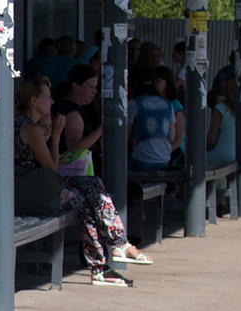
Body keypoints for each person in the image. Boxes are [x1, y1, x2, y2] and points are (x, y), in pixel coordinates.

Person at [13, 76, 150, 285]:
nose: (52, 102)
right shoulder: (31, 129)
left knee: (91, 186)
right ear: (34, 101)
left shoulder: (24, 124)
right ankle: (111, 255)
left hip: (30, 189)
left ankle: (107, 260)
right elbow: (52, 170)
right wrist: (57, 135)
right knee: (89, 197)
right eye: (48, 98)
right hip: (33, 193)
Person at [53, 64, 103, 176]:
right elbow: (75, 147)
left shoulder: (74, 107)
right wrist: (102, 129)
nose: (95, 92)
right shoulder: (72, 111)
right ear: (75, 86)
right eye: (91, 87)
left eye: (96, 87)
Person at [127, 66, 178, 173]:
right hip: (165, 158)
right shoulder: (169, 104)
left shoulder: (133, 104)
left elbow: (127, 136)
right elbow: (172, 137)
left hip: (142, 159)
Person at [154, 65, 185, 166]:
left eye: (158, 81)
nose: (154, 84)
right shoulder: (151, 103)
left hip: (174, 153)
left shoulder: (175, 105)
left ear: (167, 83)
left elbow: (178, 140)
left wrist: (162, 153)